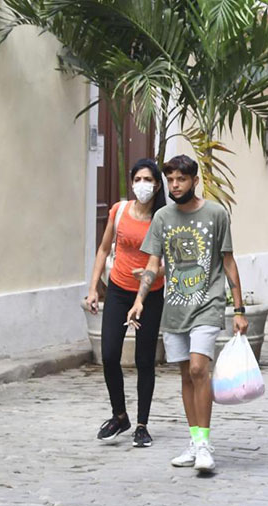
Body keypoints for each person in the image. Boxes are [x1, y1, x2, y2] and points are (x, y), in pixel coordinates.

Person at [127, 154, 248, 473]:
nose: (175, 185)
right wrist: (140, 299)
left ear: (194, 181)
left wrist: (238, 309)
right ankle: (194, 441)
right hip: (175, 307)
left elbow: (228, 261)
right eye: (170, 180)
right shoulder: (163, 217)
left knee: (198, 370)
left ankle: (205, 444)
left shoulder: (215, 214)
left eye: (181, 179)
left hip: (207, 304)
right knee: (184, 375)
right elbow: (153, 264)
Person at [86, 158, 167, 447]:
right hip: (120, 290)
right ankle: (120, 415)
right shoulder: (119, 211)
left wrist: (151, 272)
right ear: (132, 182)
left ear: (157, 184)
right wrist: (94, 287)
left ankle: (142, 425)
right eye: (138, 179)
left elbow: (169, 263)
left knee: (145, 360)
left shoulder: (163, 218)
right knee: (109, 354)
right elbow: (104, 248)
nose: (142, 185)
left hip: (150, 295)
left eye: (148, 180)